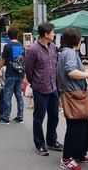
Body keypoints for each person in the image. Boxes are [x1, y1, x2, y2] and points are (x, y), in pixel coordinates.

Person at [57, 27, 88, 170]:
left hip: (73, 93)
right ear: (77, 40)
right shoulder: (69, 53)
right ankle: (66, 159)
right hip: (74, 95)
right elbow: (71, 72)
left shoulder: (64, 52)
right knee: (75, 127)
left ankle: (78, 153)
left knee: (81, 125)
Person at [24, 22, 63, 156]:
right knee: (39, 117)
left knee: (54, 115)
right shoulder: (33, 50)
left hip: (53, 86)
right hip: (40, 88)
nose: (54, 34)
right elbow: (28, 70)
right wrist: (34, 82)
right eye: (52, 32)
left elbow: (55, 65)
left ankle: (52, 140)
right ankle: (40, 144)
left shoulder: (52, 47)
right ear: (46, 34)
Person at [0, 26, 25, 124]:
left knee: (7, 94)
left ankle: (5, 117)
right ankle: (20, 116)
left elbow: (3, 60)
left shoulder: (7, 46)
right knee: (19, 95)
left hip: (11, 73)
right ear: (18, 35)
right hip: (20, 73)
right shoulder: (22, 46)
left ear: (8, 35)